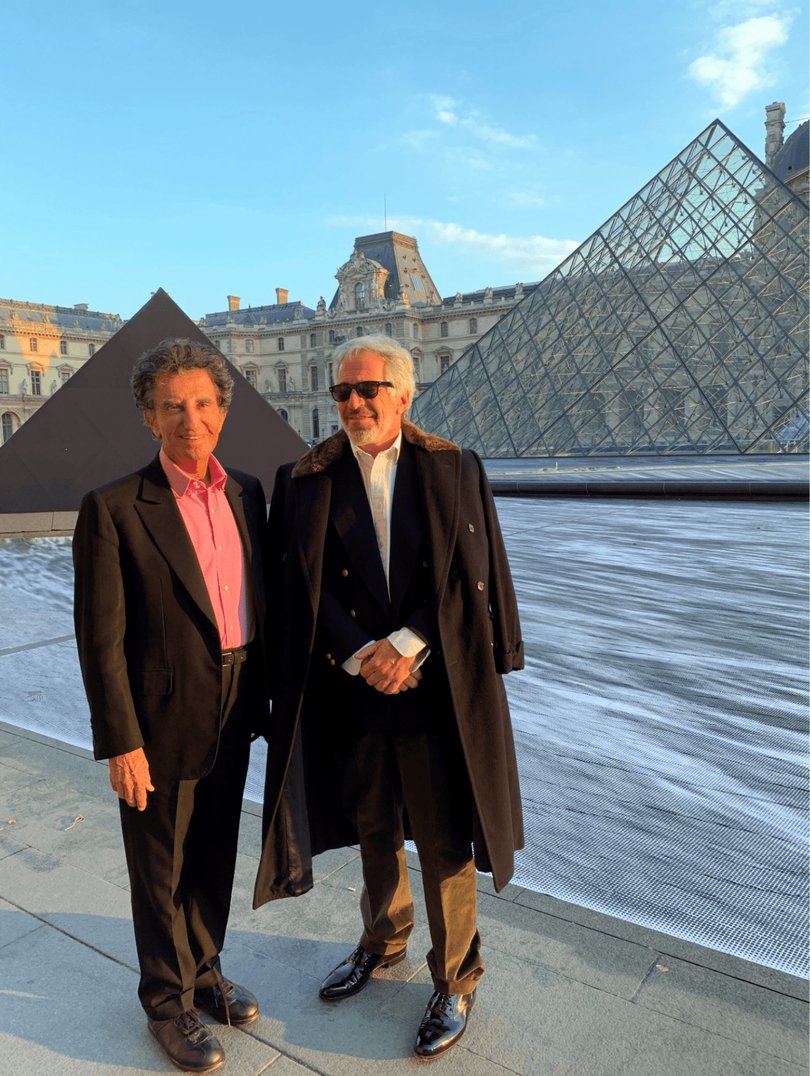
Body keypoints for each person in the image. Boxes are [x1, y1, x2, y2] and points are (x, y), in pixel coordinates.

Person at [254, 335, 524, 1059]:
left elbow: (475, 574)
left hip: (435, 686)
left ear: (404, 394)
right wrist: (356, 651)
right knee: (373, 824)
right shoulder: (303, 477)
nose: (354, 404)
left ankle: (457, 977)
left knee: (443, 839)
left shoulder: (454, 467)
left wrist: (408, 645)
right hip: (353, 684)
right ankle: (384, 939)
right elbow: (297, 588)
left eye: (368, 389)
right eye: (343, 392)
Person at [73, 337, 270, 1074]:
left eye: (202, 403)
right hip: (155, 720)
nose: (190, 418)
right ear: (148, 417)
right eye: (171, 407)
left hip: (236, 698)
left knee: (213, 852)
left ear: (223, 409)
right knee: (160, 866)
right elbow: (100, 639)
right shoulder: (116, 507)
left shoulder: (249, 491)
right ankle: (166, 1000)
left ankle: (205, 971)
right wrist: (120, 742)